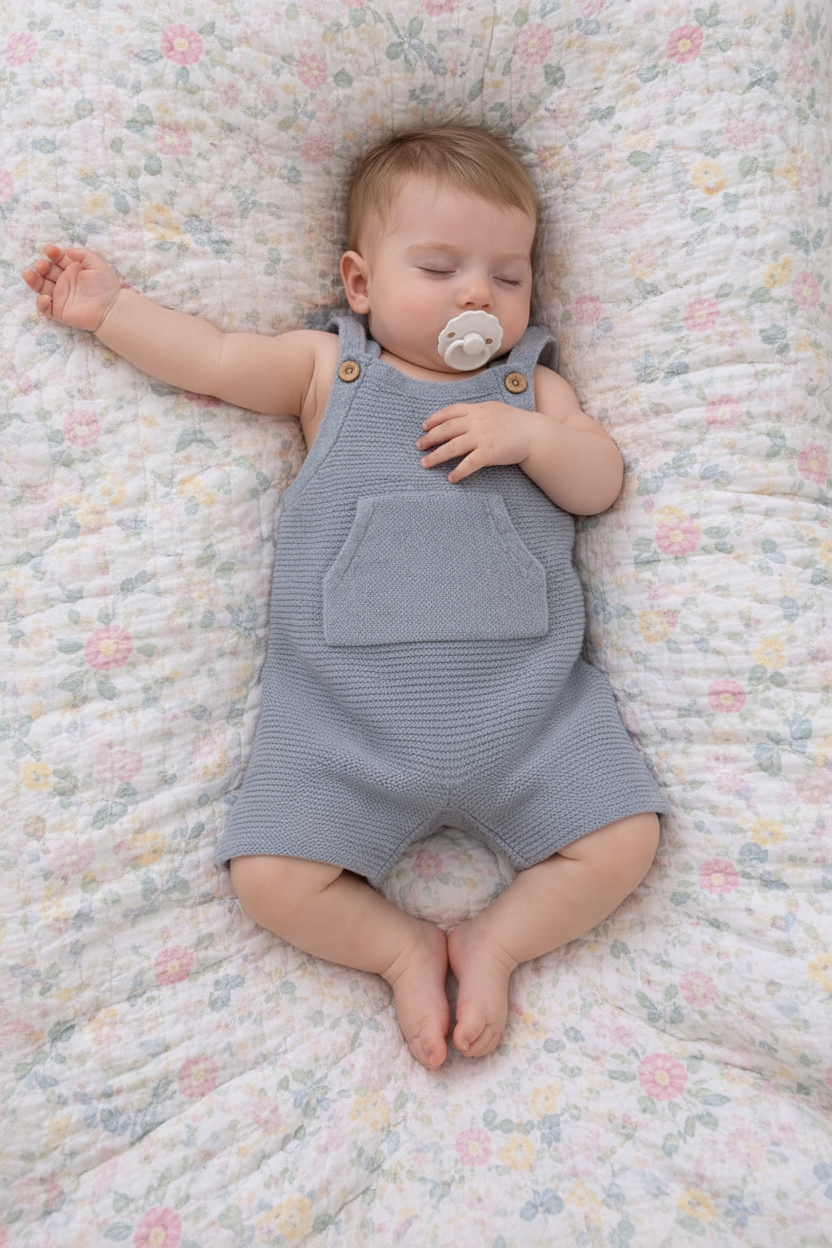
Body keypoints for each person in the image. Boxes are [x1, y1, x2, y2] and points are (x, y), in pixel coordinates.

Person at [23, 123, 667, 1071]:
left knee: (626, 839)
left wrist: (531, 439)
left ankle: (496, 943)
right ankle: (400, 948)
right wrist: (112, 309)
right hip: (345, 731)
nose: (477, 296)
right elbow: (212, 356)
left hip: (528, 718)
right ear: (361, 284)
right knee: (271, 877)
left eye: (508, 275)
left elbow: (599, 482)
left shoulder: (536, 389)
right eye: (441, 267)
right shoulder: (332, 370)